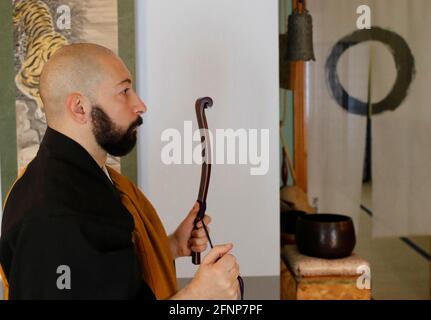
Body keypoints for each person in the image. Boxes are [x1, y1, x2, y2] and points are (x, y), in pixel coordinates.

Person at [0, 43, 240, 300]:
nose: (140, 105)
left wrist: (169, 246)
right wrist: (197, 295)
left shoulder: (89, 178)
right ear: (80, 108)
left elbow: (101, 275)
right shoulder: (52, 214)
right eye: (124, 91)